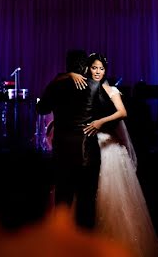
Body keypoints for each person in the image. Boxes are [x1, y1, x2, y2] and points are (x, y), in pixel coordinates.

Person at [72, 54, 158, 257]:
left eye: (101, 68)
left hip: (109, 147)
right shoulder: (84, 89)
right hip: (89, 147)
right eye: (94, 68)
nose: (97, 71)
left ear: (106, 71)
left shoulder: (112, 90)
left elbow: (122, 112)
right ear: (88, 69)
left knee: (114, 201)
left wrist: (100, 122)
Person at [35, 49, 102, 229]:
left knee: (63, 200)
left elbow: (41, 109)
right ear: (86, 66)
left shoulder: (57, 84)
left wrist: (59, 79)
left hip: (63, 149)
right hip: (88, 150)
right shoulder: (95, 85)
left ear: (67, 65)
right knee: (87, 202)